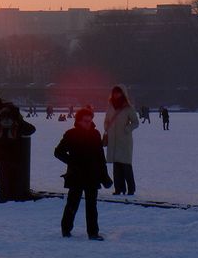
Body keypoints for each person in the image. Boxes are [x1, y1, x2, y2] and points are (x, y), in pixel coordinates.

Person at [54, 107, 113, 240]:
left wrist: (105, 177)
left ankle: (93, 233)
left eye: (90, 120)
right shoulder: (71, 134)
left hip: (92, 175)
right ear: (78, 121)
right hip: (76, 175)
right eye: (85, 120)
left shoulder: (95, 134)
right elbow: (58, 152)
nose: (88, 123)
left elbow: (100, 157)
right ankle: (66, 229)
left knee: (92, 205)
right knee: (72, 203)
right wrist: (72, 162)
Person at [0, 103, 36, 202]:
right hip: (15, 157)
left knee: (3, 180)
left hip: (1, 158)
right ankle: (16, 196)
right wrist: (20, 120)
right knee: (15, 178)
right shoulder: (18, 125)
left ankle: (4, 197)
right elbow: (31, 129)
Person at [104, 85, 140, 196]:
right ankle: (119, 189)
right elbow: (107, 120)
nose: (116, 95)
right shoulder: (110, 106)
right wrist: (106, 127)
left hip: (124, 141)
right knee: (116, 166)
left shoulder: (128, 108)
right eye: (114, 92)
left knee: (126, 165)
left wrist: (127, 129)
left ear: (123, 94)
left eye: (118, 92)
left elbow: (135, 122)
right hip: (113, 140)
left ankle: (131, 189)